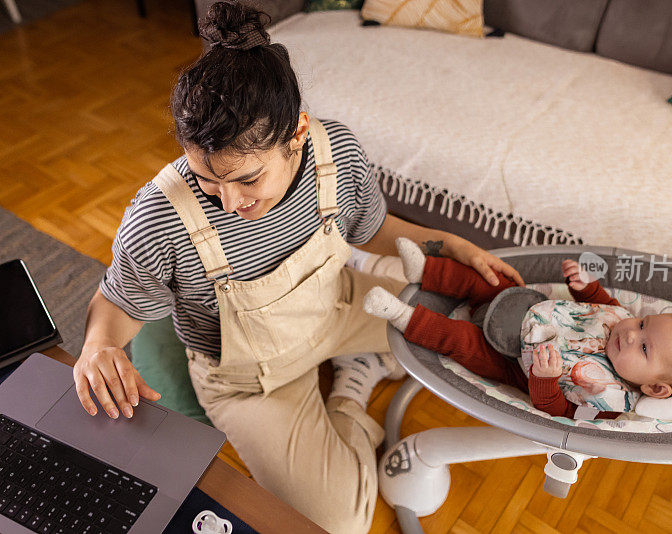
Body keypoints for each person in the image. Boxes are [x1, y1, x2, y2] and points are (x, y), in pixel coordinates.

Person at [70, 3, 523, 533]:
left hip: (336, 305)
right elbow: (116, 304)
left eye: (247, 179)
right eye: (208, 179)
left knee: (464, 320)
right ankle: (352, 389)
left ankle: (358, 361)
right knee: (340, 524)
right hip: (250, 381)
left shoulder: (338, 154)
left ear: (298, 134)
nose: (227, 201)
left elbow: (373, 231)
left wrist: (449, 243)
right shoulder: (158, 218)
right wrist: (97, 346)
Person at [364, 238, 672, 418]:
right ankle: (427, 271)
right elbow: (605, 305)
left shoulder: (610, 400)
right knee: (492, 284)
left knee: (461, 341)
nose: (632, 333)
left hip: (511, 360)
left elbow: (555, 411)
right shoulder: (621, 323)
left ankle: (401, 315)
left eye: (645, 349)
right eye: (643, 323)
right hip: (525, 308)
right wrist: (585, 286)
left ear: (654, 386)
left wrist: (545, 378)